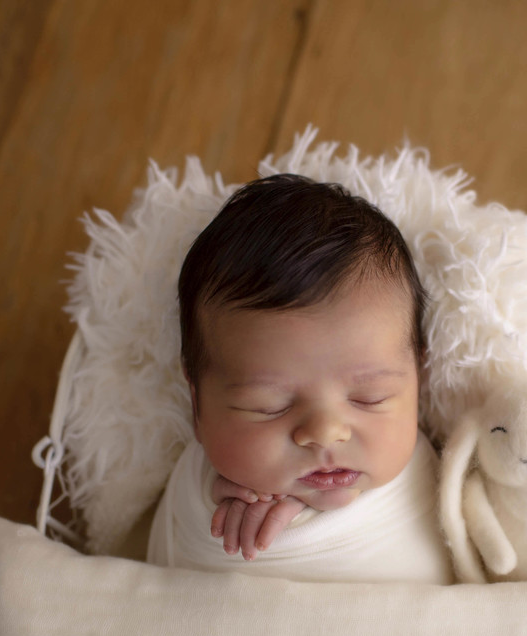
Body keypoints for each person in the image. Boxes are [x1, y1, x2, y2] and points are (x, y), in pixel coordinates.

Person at [145, 173, 453, 584]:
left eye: (370, 397)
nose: (326, 432)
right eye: (268, 407)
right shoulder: (197, 486)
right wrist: (204, 506)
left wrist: (300, 512)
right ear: (196, 404)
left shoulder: (440, 477)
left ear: (421, 379)